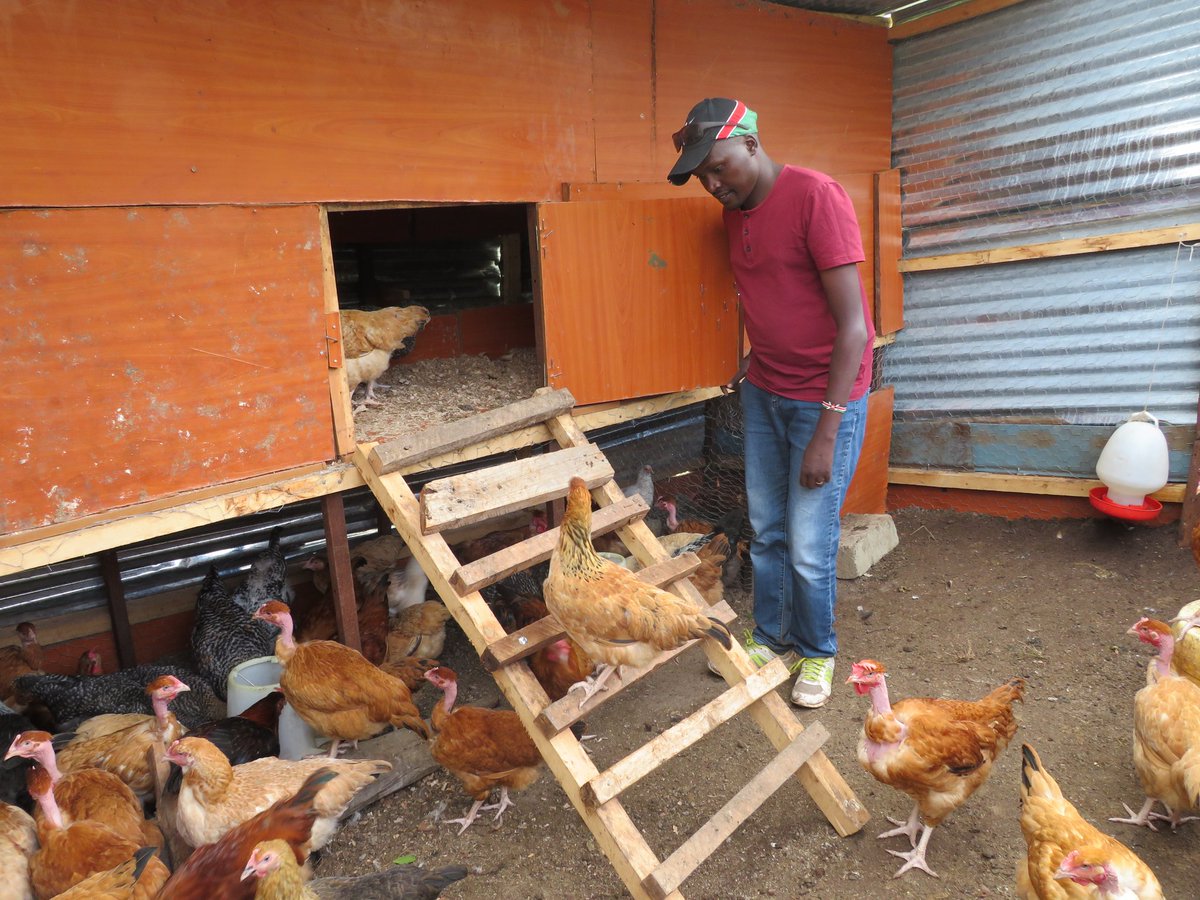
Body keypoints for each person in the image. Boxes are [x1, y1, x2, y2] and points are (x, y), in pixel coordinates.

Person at [667, 98, 873, 707]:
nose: (712, 184)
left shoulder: (817, 196)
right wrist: (756, 362)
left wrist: (827, 431)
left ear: (752, 145)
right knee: (769, 529)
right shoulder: (737, 212)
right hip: (766, 394)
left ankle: (817, 652)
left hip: (822, 401)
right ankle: (773, 637)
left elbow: (855, 329)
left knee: (811, 543)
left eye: (719, 167)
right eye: (702, 176)